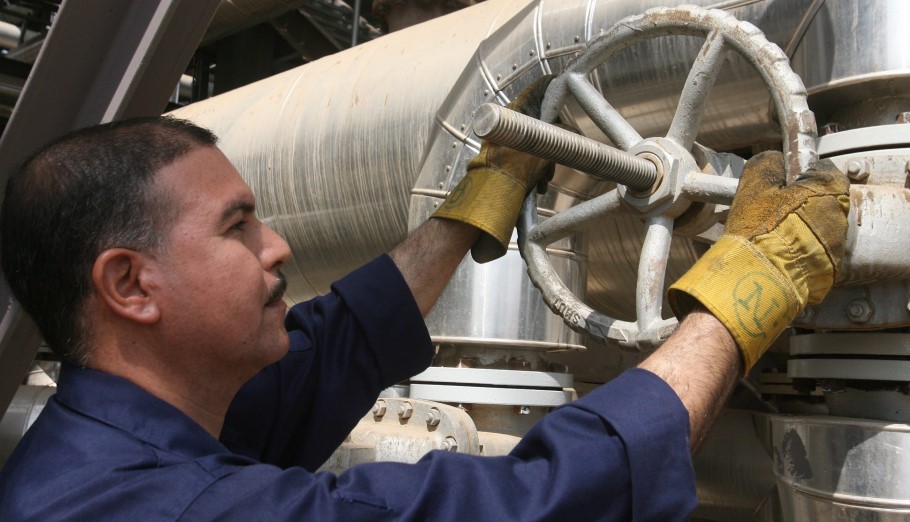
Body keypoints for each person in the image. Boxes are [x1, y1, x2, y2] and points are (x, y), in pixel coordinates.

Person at [0, 77, 849, 521]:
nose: (278, 246)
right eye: (237, 227)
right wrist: (740, 299)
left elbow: (325, 357)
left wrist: (466, 218)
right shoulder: (152, 508)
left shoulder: (121, 440)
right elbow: (529, 511)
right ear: (129, 285)